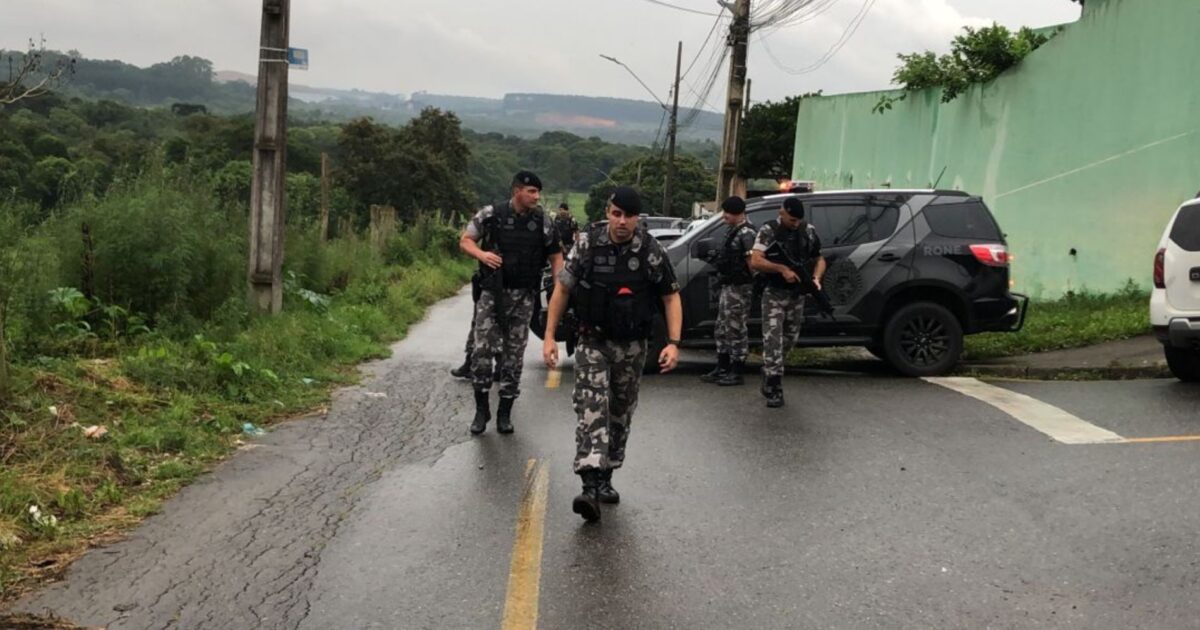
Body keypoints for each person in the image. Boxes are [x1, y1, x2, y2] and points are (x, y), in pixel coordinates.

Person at [542, 186, 682, 523]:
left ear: (637, 218)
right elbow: (563, 289)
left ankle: (606, 476)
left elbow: (670, 297)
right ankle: (589, 483)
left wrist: (674, 342)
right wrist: (549, 336)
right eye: (616, 214)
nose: (621, 221)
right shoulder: (588, 244)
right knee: (592, 407)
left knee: (620, 410)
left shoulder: (650, 249)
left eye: (629, 216)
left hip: (633, 346)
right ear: (608, 212)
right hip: (593, 341)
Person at [459, 171, 564, 434]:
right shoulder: (492, 214)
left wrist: (560, 286)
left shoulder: (542, 222)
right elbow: (466, 240)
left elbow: (556, 255)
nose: (536, 197)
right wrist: (482, 254)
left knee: (513, 356)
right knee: (482, 351)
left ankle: (505, 412)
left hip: (523, 296)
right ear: (517, 190)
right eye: (531, 192)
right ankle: (481, 410)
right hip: (492, 294)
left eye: (538, 192)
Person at [749, 197, 826, 408]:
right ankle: (774, 386)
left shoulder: (808, 231)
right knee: (773, 339)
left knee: (790, 339)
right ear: (781, 212)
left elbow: (819, 258)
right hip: (774, 293)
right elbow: (756, 260)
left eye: (798, 220)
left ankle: (769, 369)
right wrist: (782, 269)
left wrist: (816, 279)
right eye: (791, 219)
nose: (795, 224)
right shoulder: (769, 230)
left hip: (797, 295)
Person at [699, 196, 757, 386]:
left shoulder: (747, 233)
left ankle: (737, 369)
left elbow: (752, 263)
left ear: (737, 213)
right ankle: (722, 366)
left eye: (727, 212)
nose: (724, 216)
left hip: (741, 287)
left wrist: (753, 284)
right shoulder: (733, 230)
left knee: (736, 327)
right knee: (722, 326)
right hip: (729, 285)